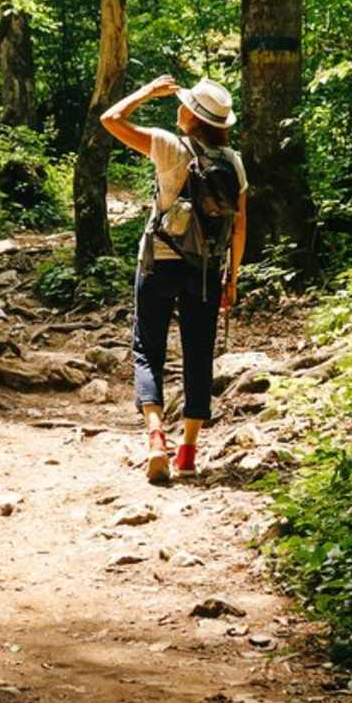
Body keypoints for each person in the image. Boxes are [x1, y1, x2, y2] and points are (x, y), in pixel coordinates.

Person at [100, 74, 248, 483]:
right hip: (206, 270)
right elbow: (239, 227)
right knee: (199, 355)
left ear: (192, 116)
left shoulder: (169, 145)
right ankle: (187, 455)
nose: (179, 109)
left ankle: (155, 440)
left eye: (184, 105)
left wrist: (147, 91)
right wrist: (232, 278)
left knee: (148, 350)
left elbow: (110, 119)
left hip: (159, 263)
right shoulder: (233, 162)